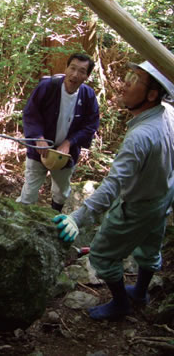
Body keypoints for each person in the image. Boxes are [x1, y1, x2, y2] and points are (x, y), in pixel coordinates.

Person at [53, 60, 174, 321]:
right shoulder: (168, 114)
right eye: (128, 74)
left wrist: (78, 216)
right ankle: (140, 293)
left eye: (134, 79)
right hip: (162, 197)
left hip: (137, 205)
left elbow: (113, 184)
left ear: (152, 94)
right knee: (150, 247)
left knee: (102, 255)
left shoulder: (140, 135)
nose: (125, 83)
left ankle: (121, 303)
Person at [16, 53, 100, 212]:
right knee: (29, 193)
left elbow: (91, 125)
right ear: (66, 68)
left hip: (66, 155)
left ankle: (53, 220)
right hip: (39, 150)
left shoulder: (88, 95)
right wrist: (38, 138)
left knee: (61, 193)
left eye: (81, 71)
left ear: (87, 76)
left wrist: (70, 142)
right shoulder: (47, 87)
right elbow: (30, 114)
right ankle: (22, 223)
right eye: (72, 68)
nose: (75, 74)